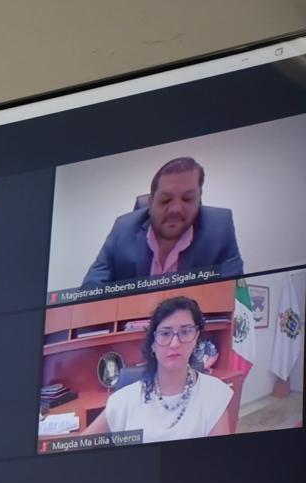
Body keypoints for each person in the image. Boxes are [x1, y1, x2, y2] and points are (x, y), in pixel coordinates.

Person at [83, 296, 233, 442]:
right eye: (165, 333)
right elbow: (79, 445)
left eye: (185, 331)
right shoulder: (123, 400)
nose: (175, 343)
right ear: (153, 344)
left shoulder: (214, 393)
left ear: (196, 338)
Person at [81, 157, 244, 288]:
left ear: (199, 201)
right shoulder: (123, 228)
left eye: (187, 199)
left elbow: (234, 296)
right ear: (150, 202)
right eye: (165, 200)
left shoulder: (220, 229)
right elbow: (91, 289)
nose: (176, 209)